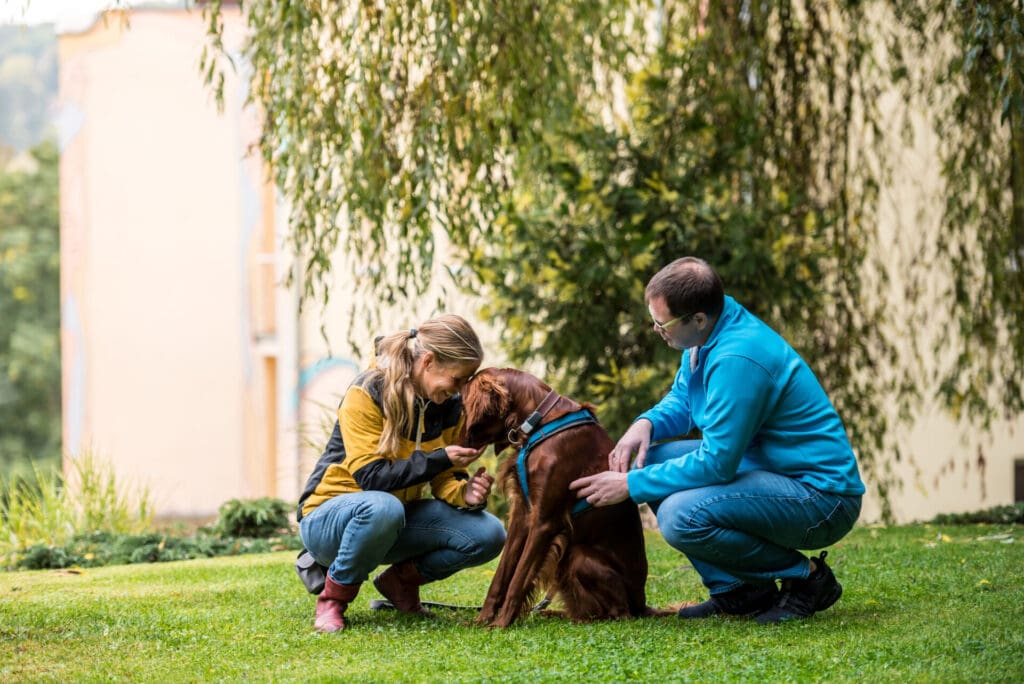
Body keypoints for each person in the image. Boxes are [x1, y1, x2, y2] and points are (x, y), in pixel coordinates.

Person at [570, 257, 864, 624]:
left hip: (821, 497)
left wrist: (630, 484)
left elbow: (717, 463)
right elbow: (684, 401)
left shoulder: (738, 357)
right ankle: (738, 591)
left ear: (697, 318)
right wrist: (645, 424)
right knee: (652, 458)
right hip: (770, 469)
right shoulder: (710, 331)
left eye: (662, 323)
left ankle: (807, 579)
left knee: (680, 517)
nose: (656, 330)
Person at [296, 314, 506, 632]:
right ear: (429, 361)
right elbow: (372, 478)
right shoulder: (367, 392)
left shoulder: (449, 407)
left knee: (489, 534)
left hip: (394, 519)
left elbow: (443, 476)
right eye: (458, 378)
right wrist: (440, 458)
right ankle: (332, 600)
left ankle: (399, 583)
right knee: (382, 506)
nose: (460, 390)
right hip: (329, 522)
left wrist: (465, 493)